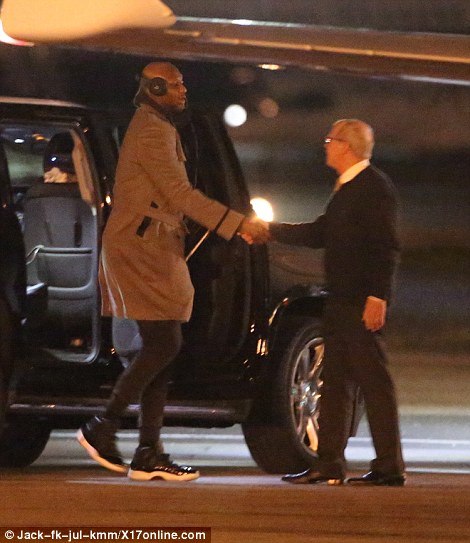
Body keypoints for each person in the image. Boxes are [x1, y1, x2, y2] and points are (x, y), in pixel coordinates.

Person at [77, 61, 269, 482]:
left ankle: (148, 452)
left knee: (162, 350)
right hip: (142, 248)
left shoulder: (159, 126)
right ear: (156, 89)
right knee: (164, 343)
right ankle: (102, 425)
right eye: (177, 85)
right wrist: (236, 222)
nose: (184, 91)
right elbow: (179, 193)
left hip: (154, 245)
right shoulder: (151, 130)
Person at [270, 119, 405, 486]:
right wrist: (270, 231)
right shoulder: (348, 188)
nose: (325, 145)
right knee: (335, 384)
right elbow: (321, 232)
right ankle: (329, 462)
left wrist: (378, 296)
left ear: (346, 145)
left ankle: (389, 466)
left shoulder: (374, 188)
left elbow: (386, 247)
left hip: (359, 303)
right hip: (340, 301)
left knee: (374, 385)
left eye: (330, 139)